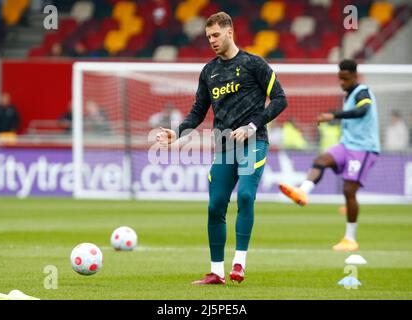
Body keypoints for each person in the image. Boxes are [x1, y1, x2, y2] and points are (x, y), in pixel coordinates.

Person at [156, 12, 287, 285]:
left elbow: (279, 100)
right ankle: (216, 272)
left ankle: (239, 264)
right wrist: (177, 133)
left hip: (254, 143)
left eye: (216, 35)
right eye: (208, 37)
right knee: (216, 206)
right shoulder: (209, 72)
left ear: (230, 32)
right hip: (224, 148)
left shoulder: (254, 64)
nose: (212, 41)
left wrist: (252, 125)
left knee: (247, 197)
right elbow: (197, 112)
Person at [279, 59, 380, 252]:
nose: (341, 82)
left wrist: (334, 116)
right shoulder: (348, 95)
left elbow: (363, 109)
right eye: (339, 79)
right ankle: (303, 192)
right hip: (347, 145)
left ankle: (350, 238)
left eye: (345, 78)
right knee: (320, 160)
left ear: (354, 76)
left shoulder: (362, 91)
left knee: (349, 191)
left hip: (364, 148)